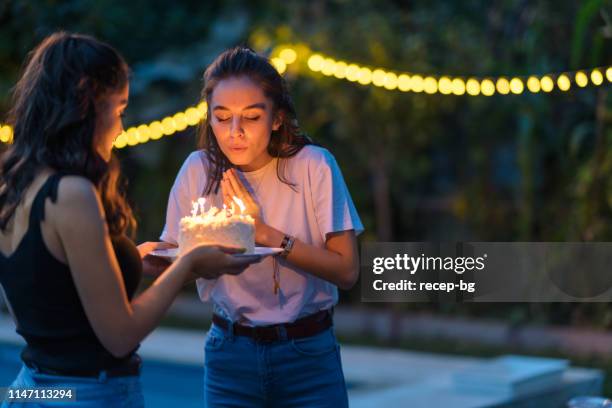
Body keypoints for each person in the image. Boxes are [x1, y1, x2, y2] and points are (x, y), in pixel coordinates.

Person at [0, 32, 260, 407]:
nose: (121, 128)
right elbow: (120, 335)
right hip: (85, 393)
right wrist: (187, 263)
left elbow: (47, 285)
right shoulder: (71, 193)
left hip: (32, 387)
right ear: (88, 100)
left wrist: (132, 260)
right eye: (119, 109)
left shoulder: (15, 179)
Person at [156, 46, 363, 407]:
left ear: (277, 118)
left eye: (251, 117)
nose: (234, 132)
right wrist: (128, 257)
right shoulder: (197, 170)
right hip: (229, 353)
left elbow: (346, 271)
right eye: (221, 118)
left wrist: (264, 234)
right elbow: (172, 256)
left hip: (307, 354)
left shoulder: (314, 167)